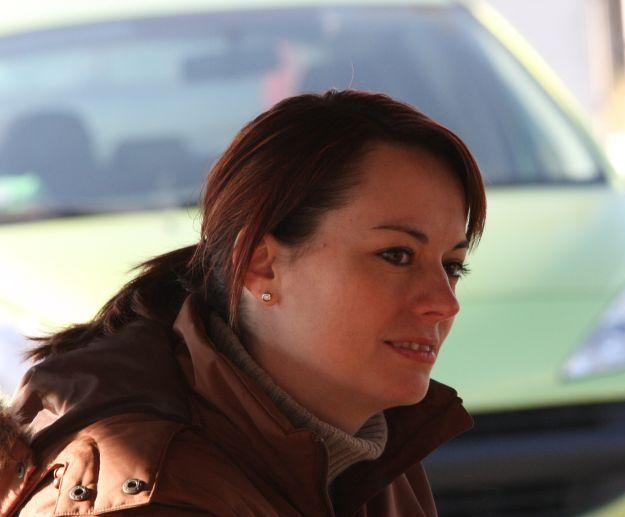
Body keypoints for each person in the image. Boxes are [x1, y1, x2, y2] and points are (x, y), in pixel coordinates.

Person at [0, 90, 486, 516]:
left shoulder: (365, 436)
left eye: (452, 266)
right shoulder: (155, 497)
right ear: (261, 265)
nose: (444, 304)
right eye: (396, 255)